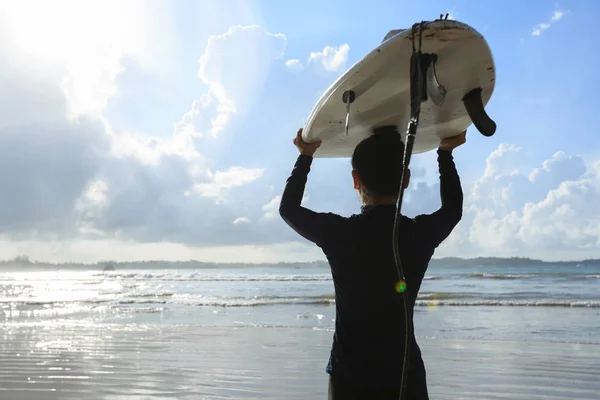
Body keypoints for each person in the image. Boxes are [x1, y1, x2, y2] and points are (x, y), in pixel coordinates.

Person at [279, 125, 465, 400]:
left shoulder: (339, 233)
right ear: (406, 179)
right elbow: (453, 208)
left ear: (356, 179)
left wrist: (305, 155)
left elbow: (288, 209)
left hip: (350, 374)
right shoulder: (420, 234)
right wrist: (445, 154)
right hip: (404, 372)